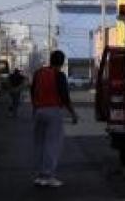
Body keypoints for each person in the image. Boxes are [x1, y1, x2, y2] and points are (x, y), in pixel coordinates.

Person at [31, 50, 78, 188]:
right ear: (62, 62)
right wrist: (73, 113)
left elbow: (33, 91)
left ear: (50, 60)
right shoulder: (60, 75)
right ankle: (48, 176)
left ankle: (40, 176)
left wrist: (35, 107)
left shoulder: (38, 73)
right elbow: (64, 97)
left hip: (39, 111)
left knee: (39, 143)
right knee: (52, 144)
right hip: (53, 111)